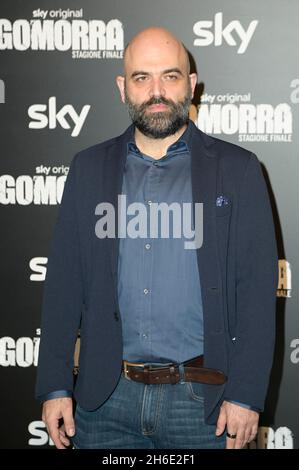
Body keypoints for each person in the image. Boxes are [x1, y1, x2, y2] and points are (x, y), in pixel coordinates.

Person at [35, 27, 278, 450]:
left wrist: (245, 394)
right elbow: (63, 285)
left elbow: (258, 291)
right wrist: (55, 385)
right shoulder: (88, 168)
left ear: (191, 83)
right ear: (122, 87)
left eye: (170, 76)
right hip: (104, 401)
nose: (157, 91)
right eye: (141, 78)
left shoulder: (238, 170)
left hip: (203, 404)